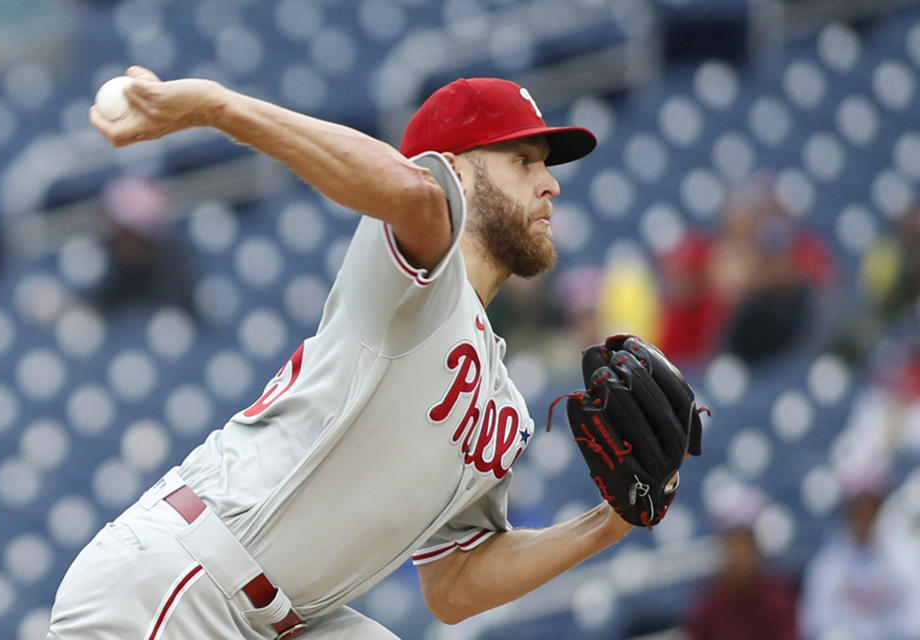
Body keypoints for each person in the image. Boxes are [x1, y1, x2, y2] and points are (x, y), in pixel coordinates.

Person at [46, 67, 639, 640]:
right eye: (523, 161)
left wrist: (606, 524)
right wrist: (215, 106)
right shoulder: (421, 280)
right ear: (454, 173)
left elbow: (454, 585)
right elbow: (413, 192)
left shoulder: (505, 404)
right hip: (183, 582)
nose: (551, 183)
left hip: (285, 620)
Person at [800, 480, 920, 640]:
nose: (864, 516)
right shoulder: (826, 563)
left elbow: (914, 622)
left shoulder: (907, 557)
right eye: (858, 508)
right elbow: (816, 623)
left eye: (871, 508)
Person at [684, 525, 799, 640]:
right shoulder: (709, 601)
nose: (738, 560)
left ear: (756, 556)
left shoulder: (778, 599)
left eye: (743, 553)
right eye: (733, 553)